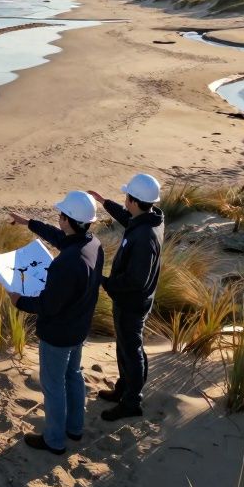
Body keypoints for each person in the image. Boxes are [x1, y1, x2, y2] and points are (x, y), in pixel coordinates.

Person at [5, 190, 105, 455]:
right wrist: (29, 223)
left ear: (68, 219)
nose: (58, 219)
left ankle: (54, 440)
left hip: (58, 334)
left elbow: (48, 306)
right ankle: (74, 428)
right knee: (73, 376)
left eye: (61, 215)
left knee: (53, 386)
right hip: (79, 328)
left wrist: (19, 302)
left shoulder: (67, 263)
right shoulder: (92, 245)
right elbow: (62, 239)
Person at [88, 173, 164, 422]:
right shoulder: (150, 220)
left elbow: (135, 280)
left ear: (133, 201)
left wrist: (106, 283)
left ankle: (132, 402)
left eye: (126, 198)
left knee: (131, 351)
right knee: (127, 346)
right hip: (133, 301)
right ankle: (124, 388)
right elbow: (129, 220)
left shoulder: (144, 237)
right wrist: (105, 203)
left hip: (132, 303)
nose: (125, 202)